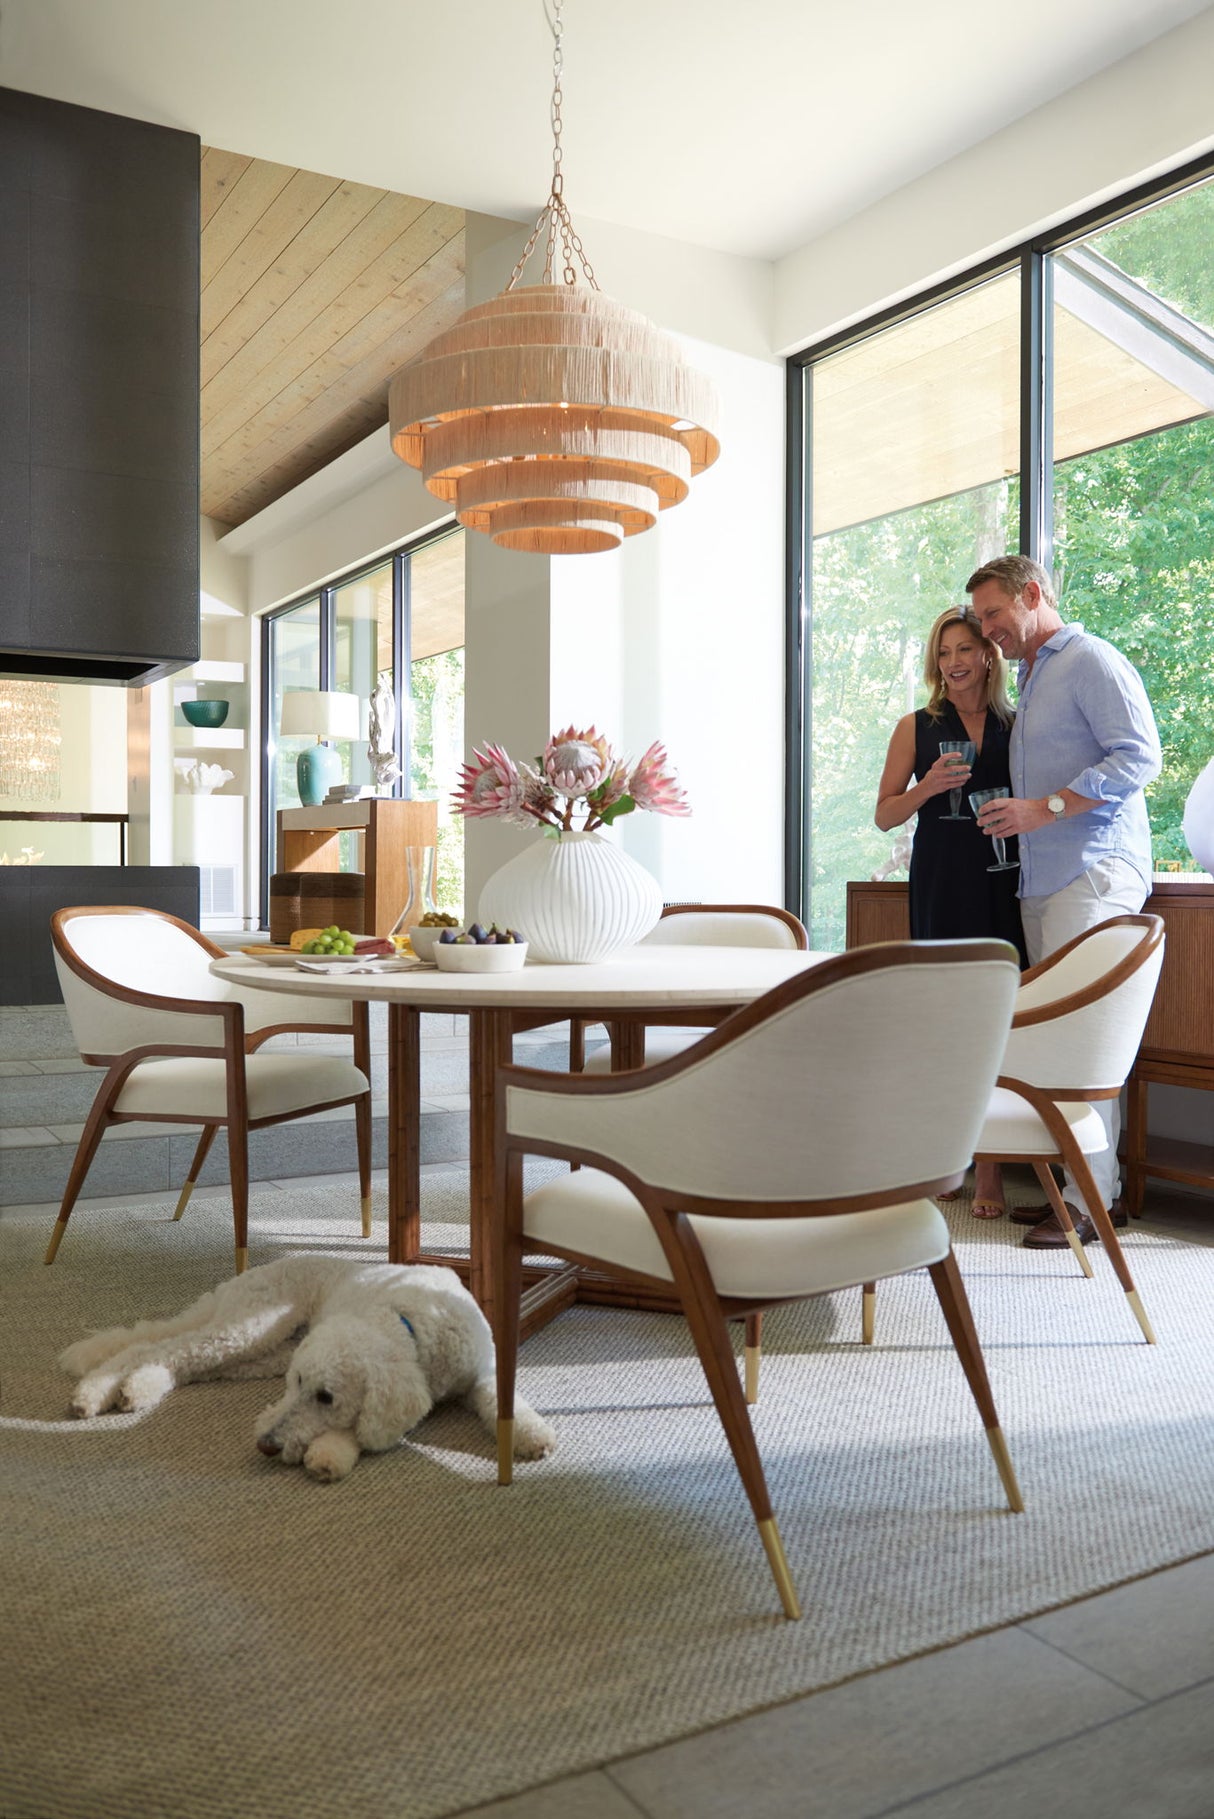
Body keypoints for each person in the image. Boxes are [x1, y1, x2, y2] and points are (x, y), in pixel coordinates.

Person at [966, 554, 1162, 1249]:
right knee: (1060, 1039)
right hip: (1043, 880)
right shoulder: (1033, 674)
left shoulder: (1091, 660)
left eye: (994, 613)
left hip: (1093, 870)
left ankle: (1088, 1204)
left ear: (1033, 593)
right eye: (981, 618)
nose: (988, 629)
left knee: (1087, 1038)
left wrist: (1047, 808)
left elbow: (1140, 756)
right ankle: (1080, 1187)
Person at [875, 605, 1026, 1219]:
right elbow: (885, 814)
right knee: (944, 1025)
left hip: (1005, 879)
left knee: (996, 1019)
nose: (955, 662)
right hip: (941, 882)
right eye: (944, 653)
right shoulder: (917, 725)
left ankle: (989, 1168)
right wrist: (927, 787)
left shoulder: (1019, 722)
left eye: (965, 649)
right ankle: (948, 1158)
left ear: (988, 654)